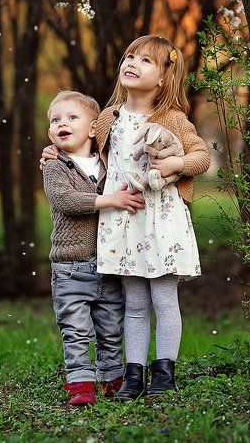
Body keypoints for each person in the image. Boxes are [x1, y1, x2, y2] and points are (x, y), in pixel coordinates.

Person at [41, 36, 210, 401]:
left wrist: (176, 164)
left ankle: (164, 373)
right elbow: (81, 145)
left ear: (164, 77)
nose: (132, 63)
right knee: (133, 304)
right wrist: (53, 149)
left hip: (162, 222)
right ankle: (133, 375)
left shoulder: (172, 119)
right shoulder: (107, 119)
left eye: (146, 61)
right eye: (129, 56)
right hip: (123, 224)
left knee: (164, 301)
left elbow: (201, 157)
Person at [42, 90, 146, 406]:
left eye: (72, 117)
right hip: (71, 266)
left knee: (110, 329)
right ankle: (80, 384)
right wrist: (110, 200)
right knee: (75, 331)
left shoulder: (108, 163)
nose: (63, 123)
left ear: (92, 129)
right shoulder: (55, 166)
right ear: (50, 133)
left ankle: (111, 379)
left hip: (109, 263)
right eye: (56, 120)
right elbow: (66, 200)